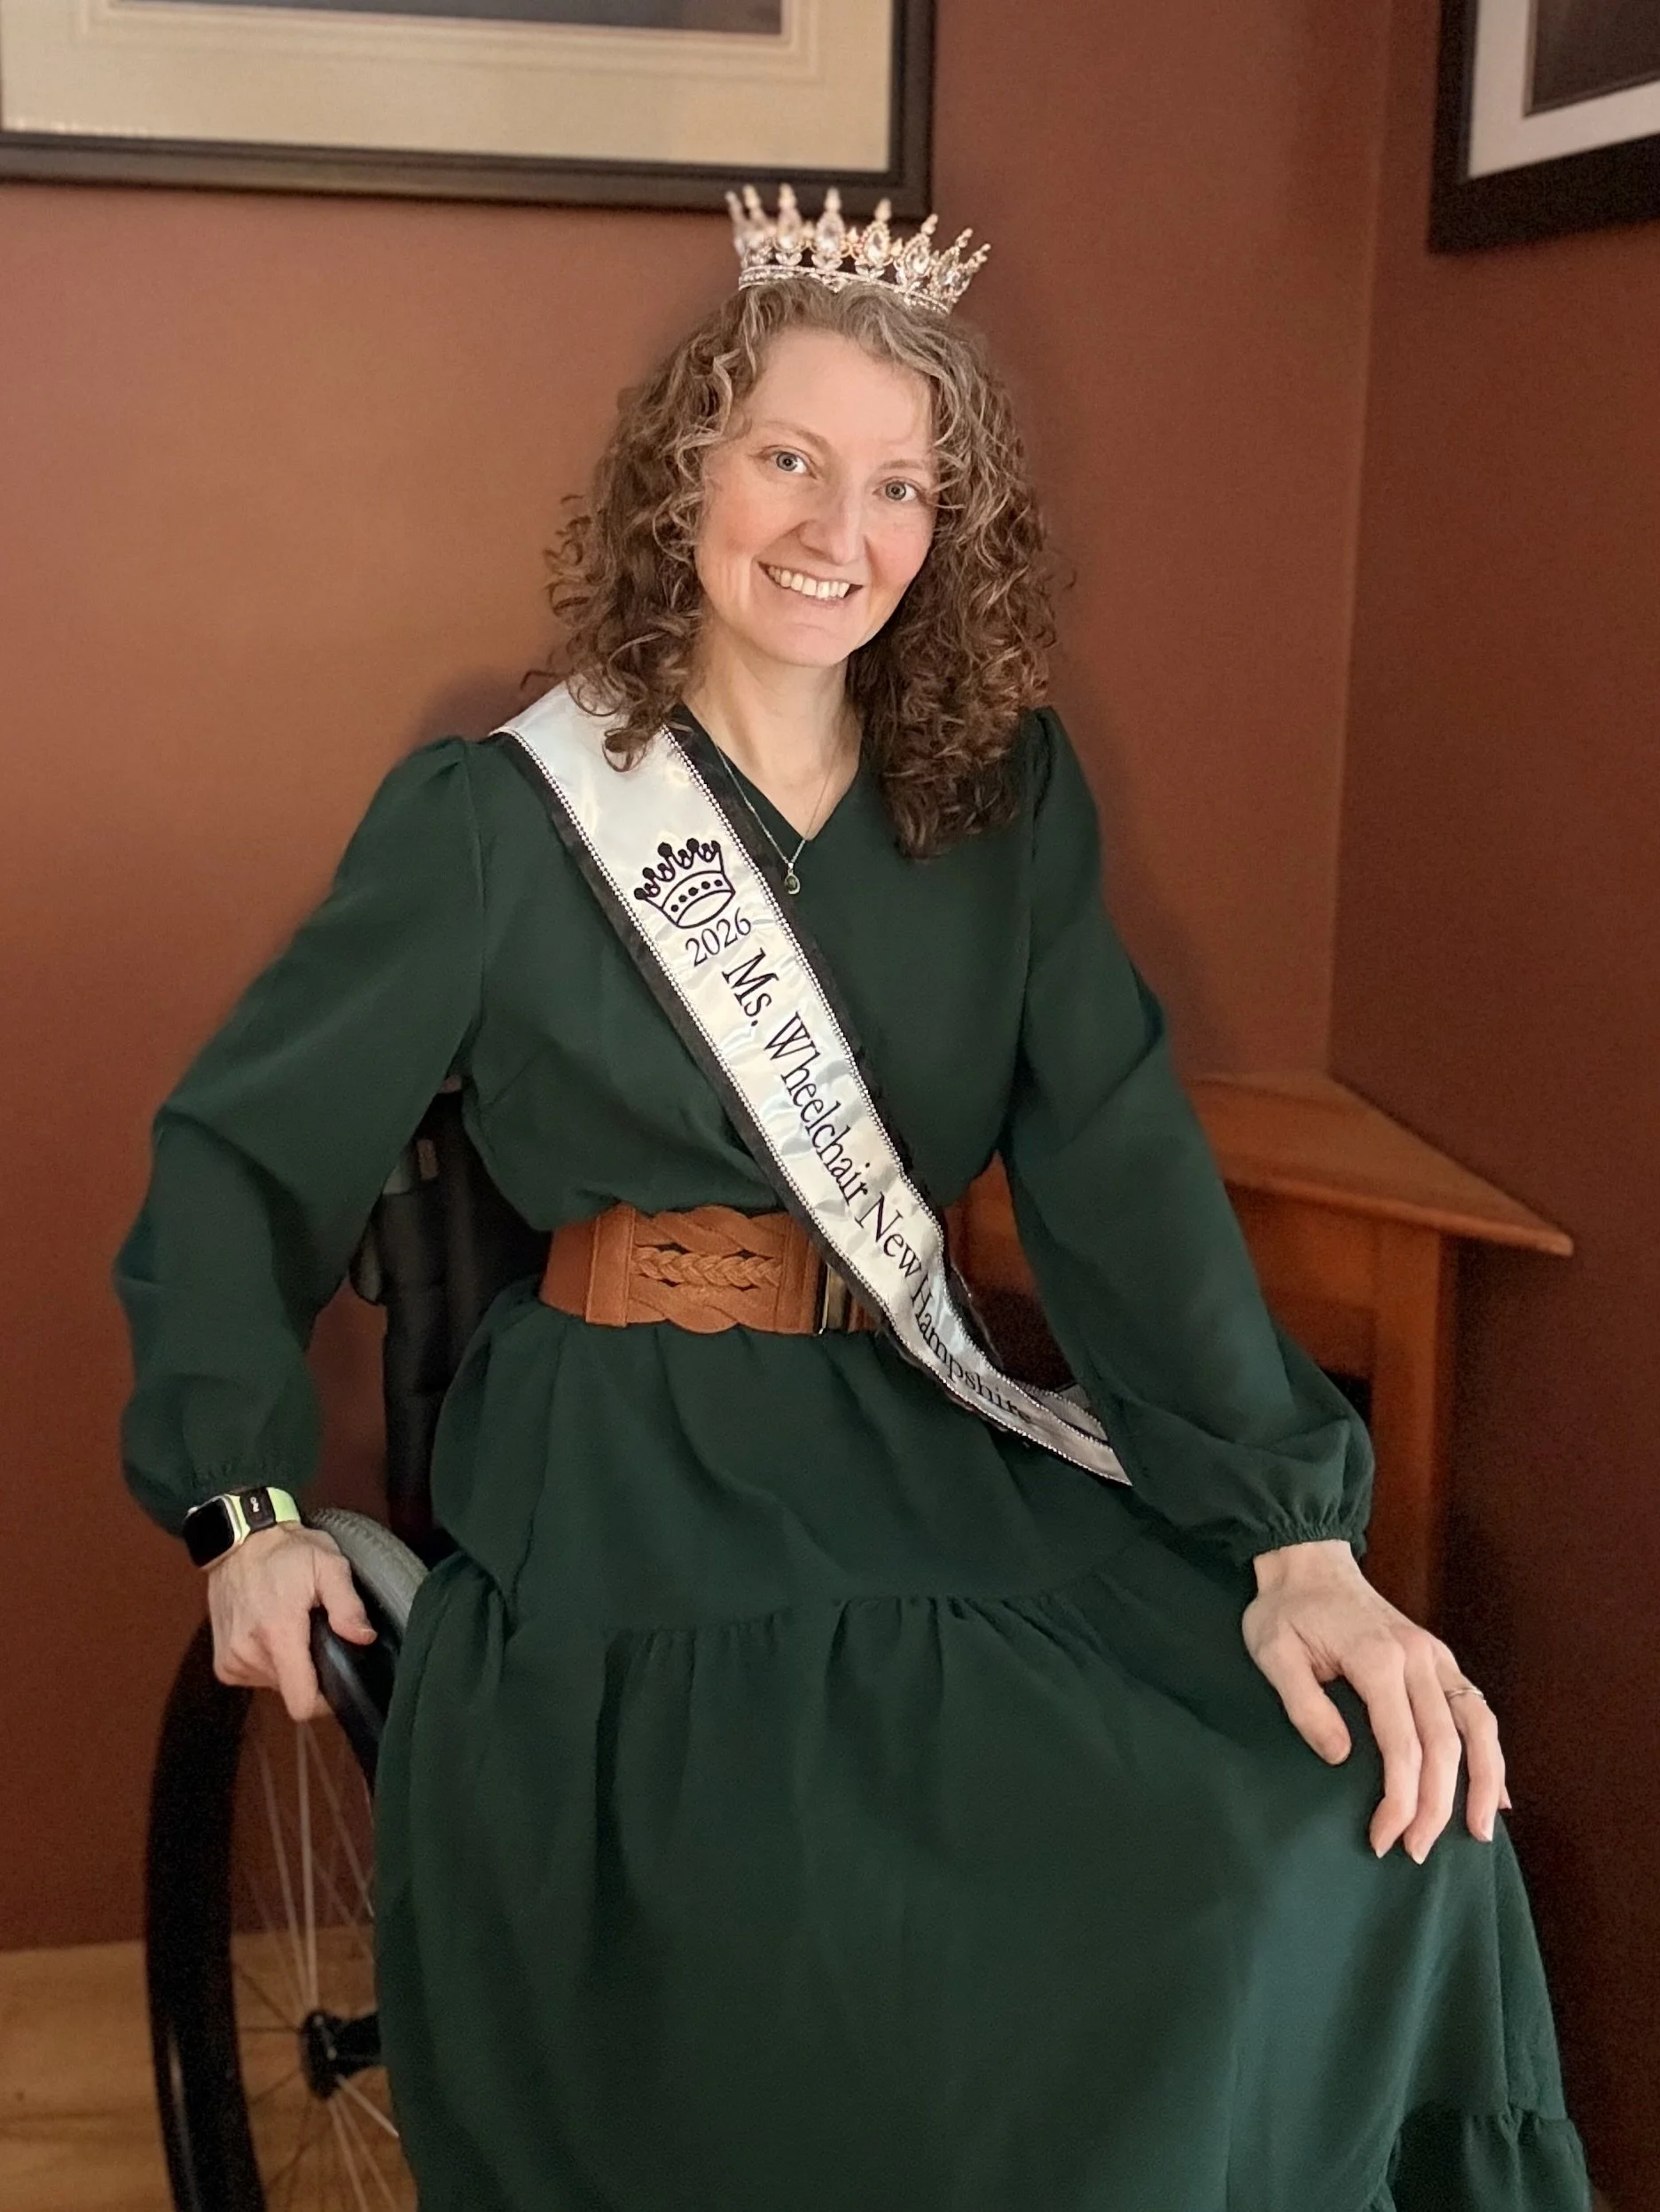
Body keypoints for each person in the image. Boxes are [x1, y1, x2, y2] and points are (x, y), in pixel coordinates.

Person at [118, 185, 1589, 2212]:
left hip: (912, 1423)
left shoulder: (1004, 803)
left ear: (948, 530)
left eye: (900, 484)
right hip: (631, 1453)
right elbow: (242, 1149)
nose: (838, 531)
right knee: (839, 1917)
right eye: (789, 457)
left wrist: (1295, 1535)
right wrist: (246, 1505)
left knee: (1344, 1812)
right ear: (684, 475)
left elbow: (1116, 1161)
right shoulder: (497, 817)